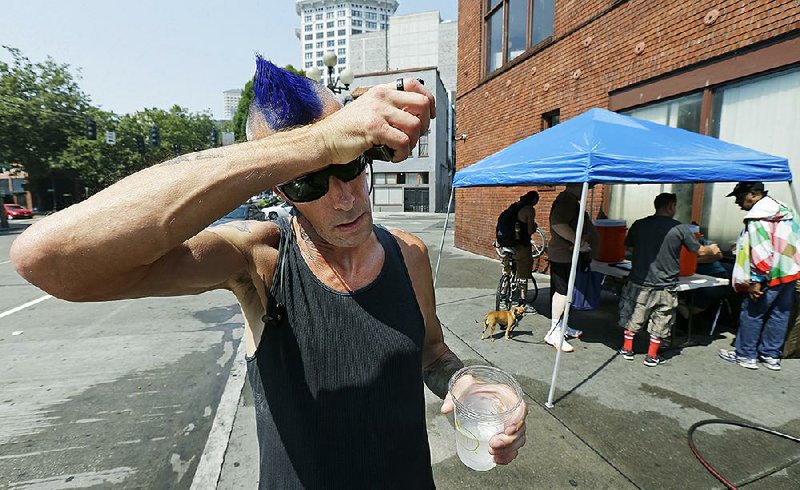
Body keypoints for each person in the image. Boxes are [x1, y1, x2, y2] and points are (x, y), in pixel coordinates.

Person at [10, 59, 527, 488]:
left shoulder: (408, 255)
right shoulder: (258, 262)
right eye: (307, 181)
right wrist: (321, 142)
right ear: (278, 188)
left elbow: (432, 353)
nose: (343, 197)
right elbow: (49, 259)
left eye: (351, 164)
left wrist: (466, 387)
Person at [618, 193, 721, 366]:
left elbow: (629, 246)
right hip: (666, 284)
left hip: (639, 280)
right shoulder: (679, 229)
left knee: (634, 314)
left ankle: (627, 349)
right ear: (671, 206)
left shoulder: (640, 224)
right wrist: (713, 249)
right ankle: (651, 356)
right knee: (662, 319)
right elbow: (699, 251)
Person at [719, 182, 800, 371]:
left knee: (752, 313)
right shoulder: (786, 210)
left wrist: (756, 279)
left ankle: (745, 355)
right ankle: (771, 355)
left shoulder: (757, 216)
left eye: (740, 197)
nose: (738, 202)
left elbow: (762, 251)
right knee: (780, 314)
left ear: (754, 195)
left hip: (768, 275)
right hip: (789, 270)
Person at [546, 183, 599, 352]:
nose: (590, 189)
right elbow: (557, 224)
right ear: (577, 185)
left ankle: (563, 326)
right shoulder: (566, 200)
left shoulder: (571, 200)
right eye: (588, 186)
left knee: (566, 292)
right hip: (563, 255)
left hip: (567, 255)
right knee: (562, 292)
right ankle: (554, 332)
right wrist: (579, 242)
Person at [496, 190, 539, 312]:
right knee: (523, 276)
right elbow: (530, 230)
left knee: (506, 272)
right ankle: (523, 303)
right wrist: (534, 226)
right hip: (521, 246)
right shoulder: (529, 209)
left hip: (506, 245)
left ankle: (503, 297)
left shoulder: (514, 206)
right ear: (534, 200)